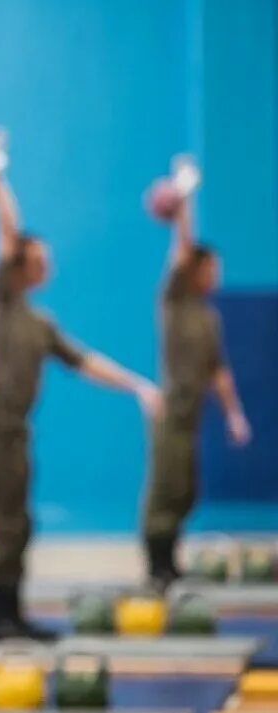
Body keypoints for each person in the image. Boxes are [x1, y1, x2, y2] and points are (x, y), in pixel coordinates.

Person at [0, 131, 162, 646]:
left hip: (16, 430)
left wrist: (137, 387)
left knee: (20, 525)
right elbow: (6, 234)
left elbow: (85, 362)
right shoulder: (0, 302)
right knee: (6, 525)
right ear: (21, 264)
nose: (46, 263)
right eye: (39, 257)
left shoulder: (39, 321)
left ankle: (12, 613)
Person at [141, 156, 251, 589]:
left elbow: (218, 371)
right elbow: (182, 251)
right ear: (197, 272)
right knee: (165, 488)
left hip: (194, 414)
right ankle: (156, 566)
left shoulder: (209, 318)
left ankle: (171, 562)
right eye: (211, 269)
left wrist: (234, 414)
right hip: (169, 410)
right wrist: (183, 198)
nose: (216, 276)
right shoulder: (175, 301)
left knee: (186, 489)